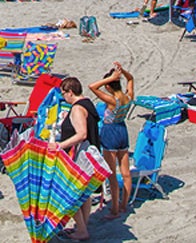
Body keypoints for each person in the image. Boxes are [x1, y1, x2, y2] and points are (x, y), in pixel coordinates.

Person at [49, 77, 101, 240]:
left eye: (64, 94)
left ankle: (82, 230)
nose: (63, 97)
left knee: (68, 195)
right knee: (83, 196)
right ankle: (82, 227)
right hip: (89, 156)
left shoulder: (78, 109)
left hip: (79, 158)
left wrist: (60, 145)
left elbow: (81, 134)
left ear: (70, 92)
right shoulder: (88, 103)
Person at [88, 63, 135, 220]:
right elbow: (131, 79)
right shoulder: (128, 97)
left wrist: (111, 77)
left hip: (110, 133)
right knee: (126, 173)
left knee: (112, 175)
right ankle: (124, 205)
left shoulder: (111, 100)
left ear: (108, 86)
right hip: (123, 130)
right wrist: (122, 73)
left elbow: (92, 87)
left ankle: (114, 209)